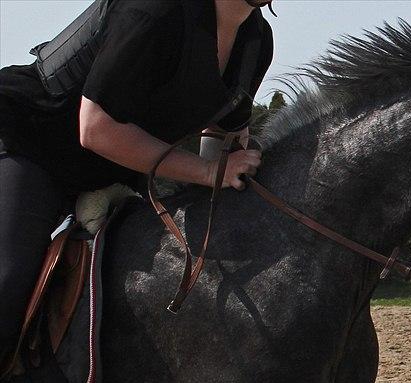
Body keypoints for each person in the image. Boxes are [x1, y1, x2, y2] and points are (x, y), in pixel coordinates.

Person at [0, 0, 275, 362]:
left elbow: (225, 137)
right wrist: (207, 173)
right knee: (8, 280)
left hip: (113, 174)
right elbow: (95, 128)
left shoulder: (256, 39)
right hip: (27, 141)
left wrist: (227, 183)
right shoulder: (153, 8)